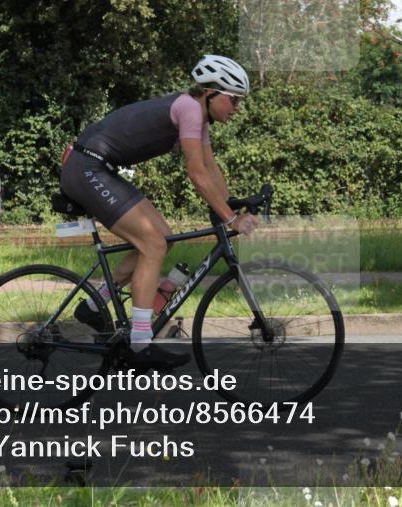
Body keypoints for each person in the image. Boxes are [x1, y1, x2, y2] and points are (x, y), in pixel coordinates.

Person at [59, 55, 260, 369]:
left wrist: (229, 202)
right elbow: (196, 174)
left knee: (163, 238)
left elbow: (209, 167)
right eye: (234, 99)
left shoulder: (197, 114)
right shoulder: (190, 109)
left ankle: (94, 305)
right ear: (210, 92)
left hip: (97, 167)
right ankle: (140, 344)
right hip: (87, 168)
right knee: (152, 244)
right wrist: (230, 218)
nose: (237, 108)